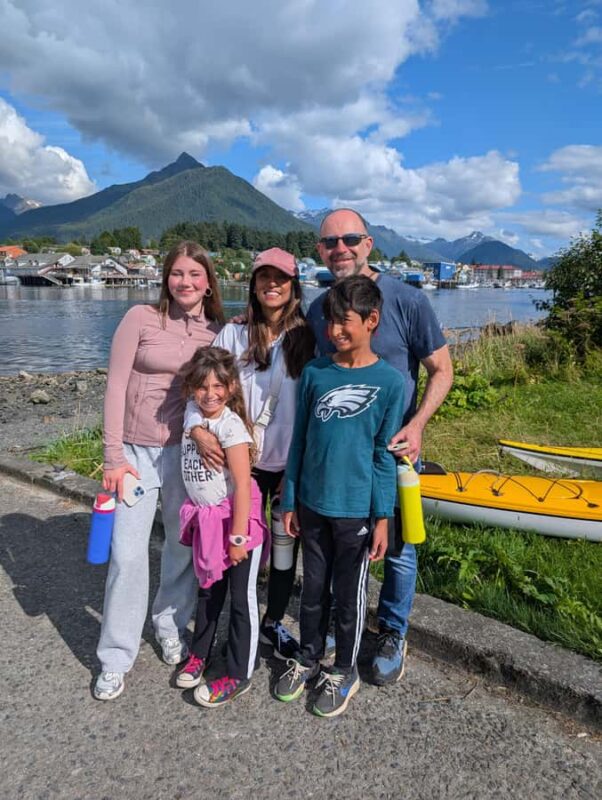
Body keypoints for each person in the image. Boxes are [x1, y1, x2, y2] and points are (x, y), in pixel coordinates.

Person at [305, 209, 453, 686]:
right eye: (330, 242)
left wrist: (419, 424)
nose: (340, 248)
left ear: (368, 244)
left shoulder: (408, 300)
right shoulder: (317, 310)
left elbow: (442, 369)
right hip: (340, 461)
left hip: (394, 452)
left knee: (399, 548)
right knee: (343, 544)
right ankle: (341, 622)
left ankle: (392, 630)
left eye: (350, 239)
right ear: (319, 250)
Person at [94, 241, 224, 701]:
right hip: (134, 453)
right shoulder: (140, 318)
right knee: (127, 554)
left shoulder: (217, 332)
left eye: (194, 274)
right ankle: (115, 656)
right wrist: (113, 456)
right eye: (177, 273)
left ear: (208, 283)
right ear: (166, 278)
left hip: (185, 452)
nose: (185, 282)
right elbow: (116, 385)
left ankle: (169, 625)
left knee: (181, 547)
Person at [275, 276, 405, 717]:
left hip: (356, 512)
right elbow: (299, 442)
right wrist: (290, 499)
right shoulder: (315, 372)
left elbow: (383, 455)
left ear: (372, 320)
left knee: (349, 597)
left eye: (344, 321)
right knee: (312, 590)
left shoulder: (390, 382)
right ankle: (309, 656)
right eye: (330, 321)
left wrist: (383, 517)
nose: (334, 331)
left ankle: (345, 669)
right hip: (312, 505)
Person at [190, 247, 315, 659]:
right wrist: (196, 428)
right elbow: (203, 388)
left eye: (281, 278)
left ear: (294, 286)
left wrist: (298, 468)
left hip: (287, 465)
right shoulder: (233, 334)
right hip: (238, 464)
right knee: (234, 546)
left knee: (284, 550)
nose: (271, 284)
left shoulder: (307, 338)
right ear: (253, 284)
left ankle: (272, 622)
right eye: (264, 277)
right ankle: (223, 627)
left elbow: (314, 405)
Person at [175, 347, 269, 707]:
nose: (209, 394)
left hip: (237, 525)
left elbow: (243, 485)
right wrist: (196, 427)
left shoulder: (231, 428)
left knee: (241, 600)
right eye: (202, 386)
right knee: (208, 591)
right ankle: (200, 654)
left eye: (218, 386)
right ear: (191, 388)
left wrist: (238, 538)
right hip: (209, 523)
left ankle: (238, 673)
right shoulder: (193, 413)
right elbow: (190, 411)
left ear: (230, 388)